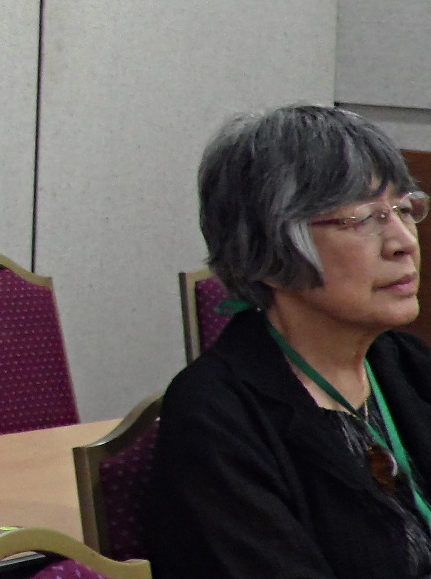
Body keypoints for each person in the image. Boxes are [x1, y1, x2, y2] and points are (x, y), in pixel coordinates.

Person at [144, 104, 431, 578]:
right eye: (363, 218)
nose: (403, 241)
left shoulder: (407, 366)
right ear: (270, 247)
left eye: (403, 209)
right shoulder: (217, 417)